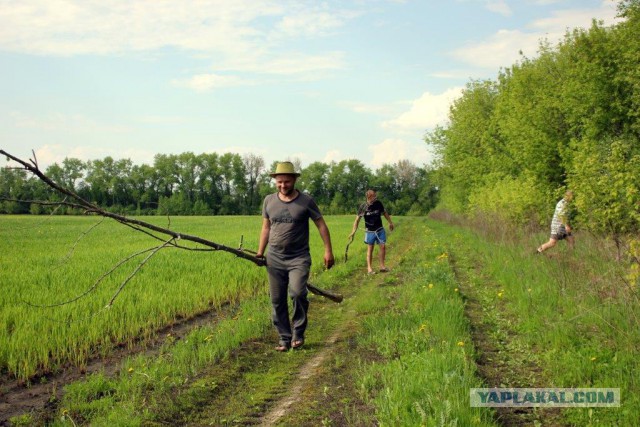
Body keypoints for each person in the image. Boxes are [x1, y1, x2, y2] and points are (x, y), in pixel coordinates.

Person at [256, 161, 335, 352]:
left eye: (287, 182)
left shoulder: (306, 201)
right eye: (280, 182)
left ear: (294, 180)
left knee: (298, 293)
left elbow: (321, 225)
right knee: (277, 299)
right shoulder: (269, 201)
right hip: (274, 257)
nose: (283, 185)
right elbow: (266, 228)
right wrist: (260, 252)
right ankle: (284, 338)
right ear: (275, 180)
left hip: (298, 258)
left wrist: (328, 251)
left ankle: (298, 333)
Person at [348, 189, 394, 274]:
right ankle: (369, 269)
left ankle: (382, 266)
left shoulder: (378, 203)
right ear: (369, 197)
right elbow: (357, 220)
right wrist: (353, 231)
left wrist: (390, 223)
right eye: (374, 196)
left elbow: (385, 213)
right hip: (370, 231)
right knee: (370, 249)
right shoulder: (363, 207)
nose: (376, 197)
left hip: (380, 229)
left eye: (375, 196)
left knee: (383, 247)